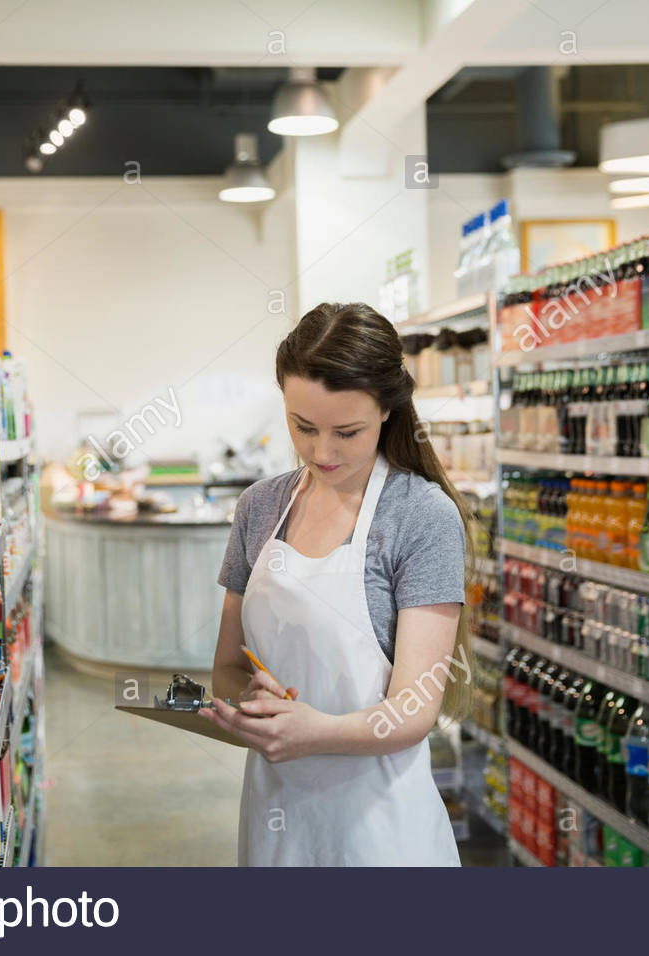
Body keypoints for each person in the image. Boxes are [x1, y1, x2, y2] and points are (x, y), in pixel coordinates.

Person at [201, 301, 475, 866]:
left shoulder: (421, 516)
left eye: (347, 432)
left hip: (382, 829)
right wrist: (249, 702)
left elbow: (415, 710)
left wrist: (315, 733)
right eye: (303, 427)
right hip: (278, 818)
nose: (321, 452)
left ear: (387, 413)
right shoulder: (260, 508)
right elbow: (227, 666)